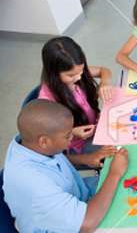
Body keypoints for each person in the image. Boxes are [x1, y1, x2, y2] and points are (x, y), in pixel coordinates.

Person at [3, 99, 129, 233]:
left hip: (79, 196)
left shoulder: (28, 142)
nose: (72, 138)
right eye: (68, 136)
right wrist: (114, 174)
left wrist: (85, 159)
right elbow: (87, 223)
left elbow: (52, 158)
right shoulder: (37, 186)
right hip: (79, 222)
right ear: (44, 141)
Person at [39, 36, 117, 168]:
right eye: (72, 75)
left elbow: (104, 70)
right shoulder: (47, 100)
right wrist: (73, 132)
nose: (79, 77)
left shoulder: (76, 71)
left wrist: (105, 82)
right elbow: (51, 136)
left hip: (98, 126)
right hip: (79, 144)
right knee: (123, 152)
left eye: (81, 71)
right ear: (54, 73)